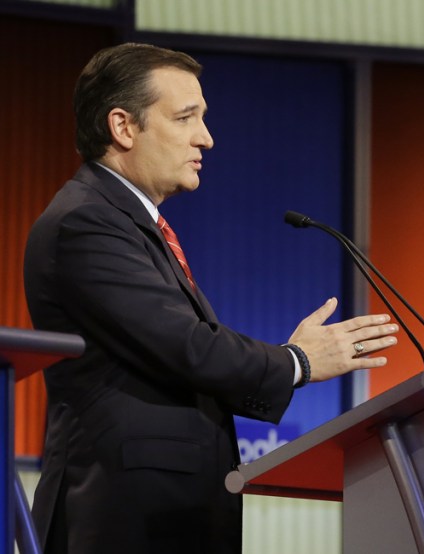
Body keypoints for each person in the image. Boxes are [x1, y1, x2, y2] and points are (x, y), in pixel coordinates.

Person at [23, 42, 398, 554]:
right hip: (123, 517)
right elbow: (186, 345)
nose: (206, 137)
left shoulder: (128, 222)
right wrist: (297, 362)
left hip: (167, 513)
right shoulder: (86, 222)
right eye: (185, 118)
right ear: (123, 127)